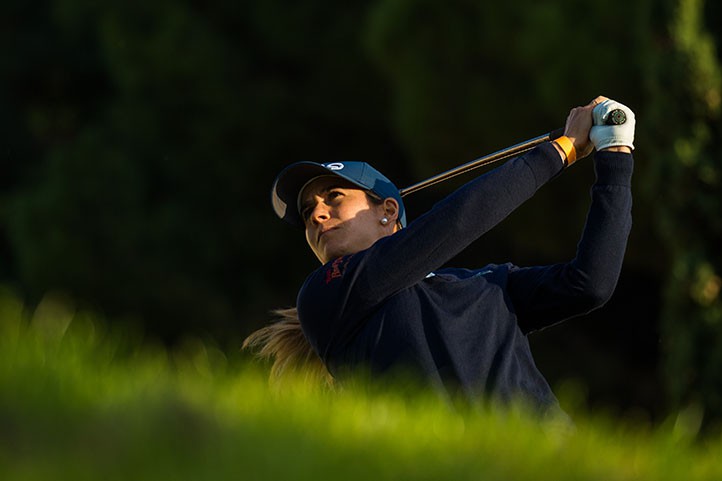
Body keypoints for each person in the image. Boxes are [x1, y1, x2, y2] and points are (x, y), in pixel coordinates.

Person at [245, 96, 635, 416]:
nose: (316, 214)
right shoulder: (325, 298)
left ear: (388, 212)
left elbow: (590, 284)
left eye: (333, 198)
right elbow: (454, 224)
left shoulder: (488, 284)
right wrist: (560, 151)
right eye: (308, 211)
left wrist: (615, 156)